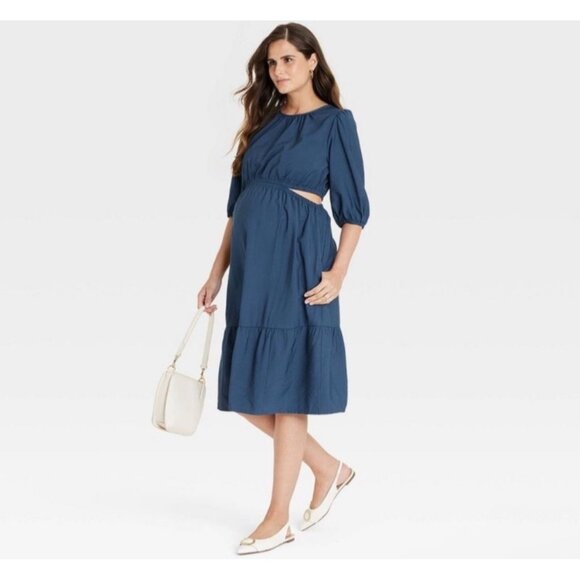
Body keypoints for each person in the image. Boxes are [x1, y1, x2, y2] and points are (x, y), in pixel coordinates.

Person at [197, 22, 370, 555]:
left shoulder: (335, 123)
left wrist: (338, 273)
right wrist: (215, 272)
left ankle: (278, 517)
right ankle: (327, 467)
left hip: (299, 263)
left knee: (288, 387)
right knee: (246, 390)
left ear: (313, 61)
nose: (278, 70)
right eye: (272, 63)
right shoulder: (262, 123)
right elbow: (237, 209)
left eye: (289, 59)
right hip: (253, 268)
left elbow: (354, 212)